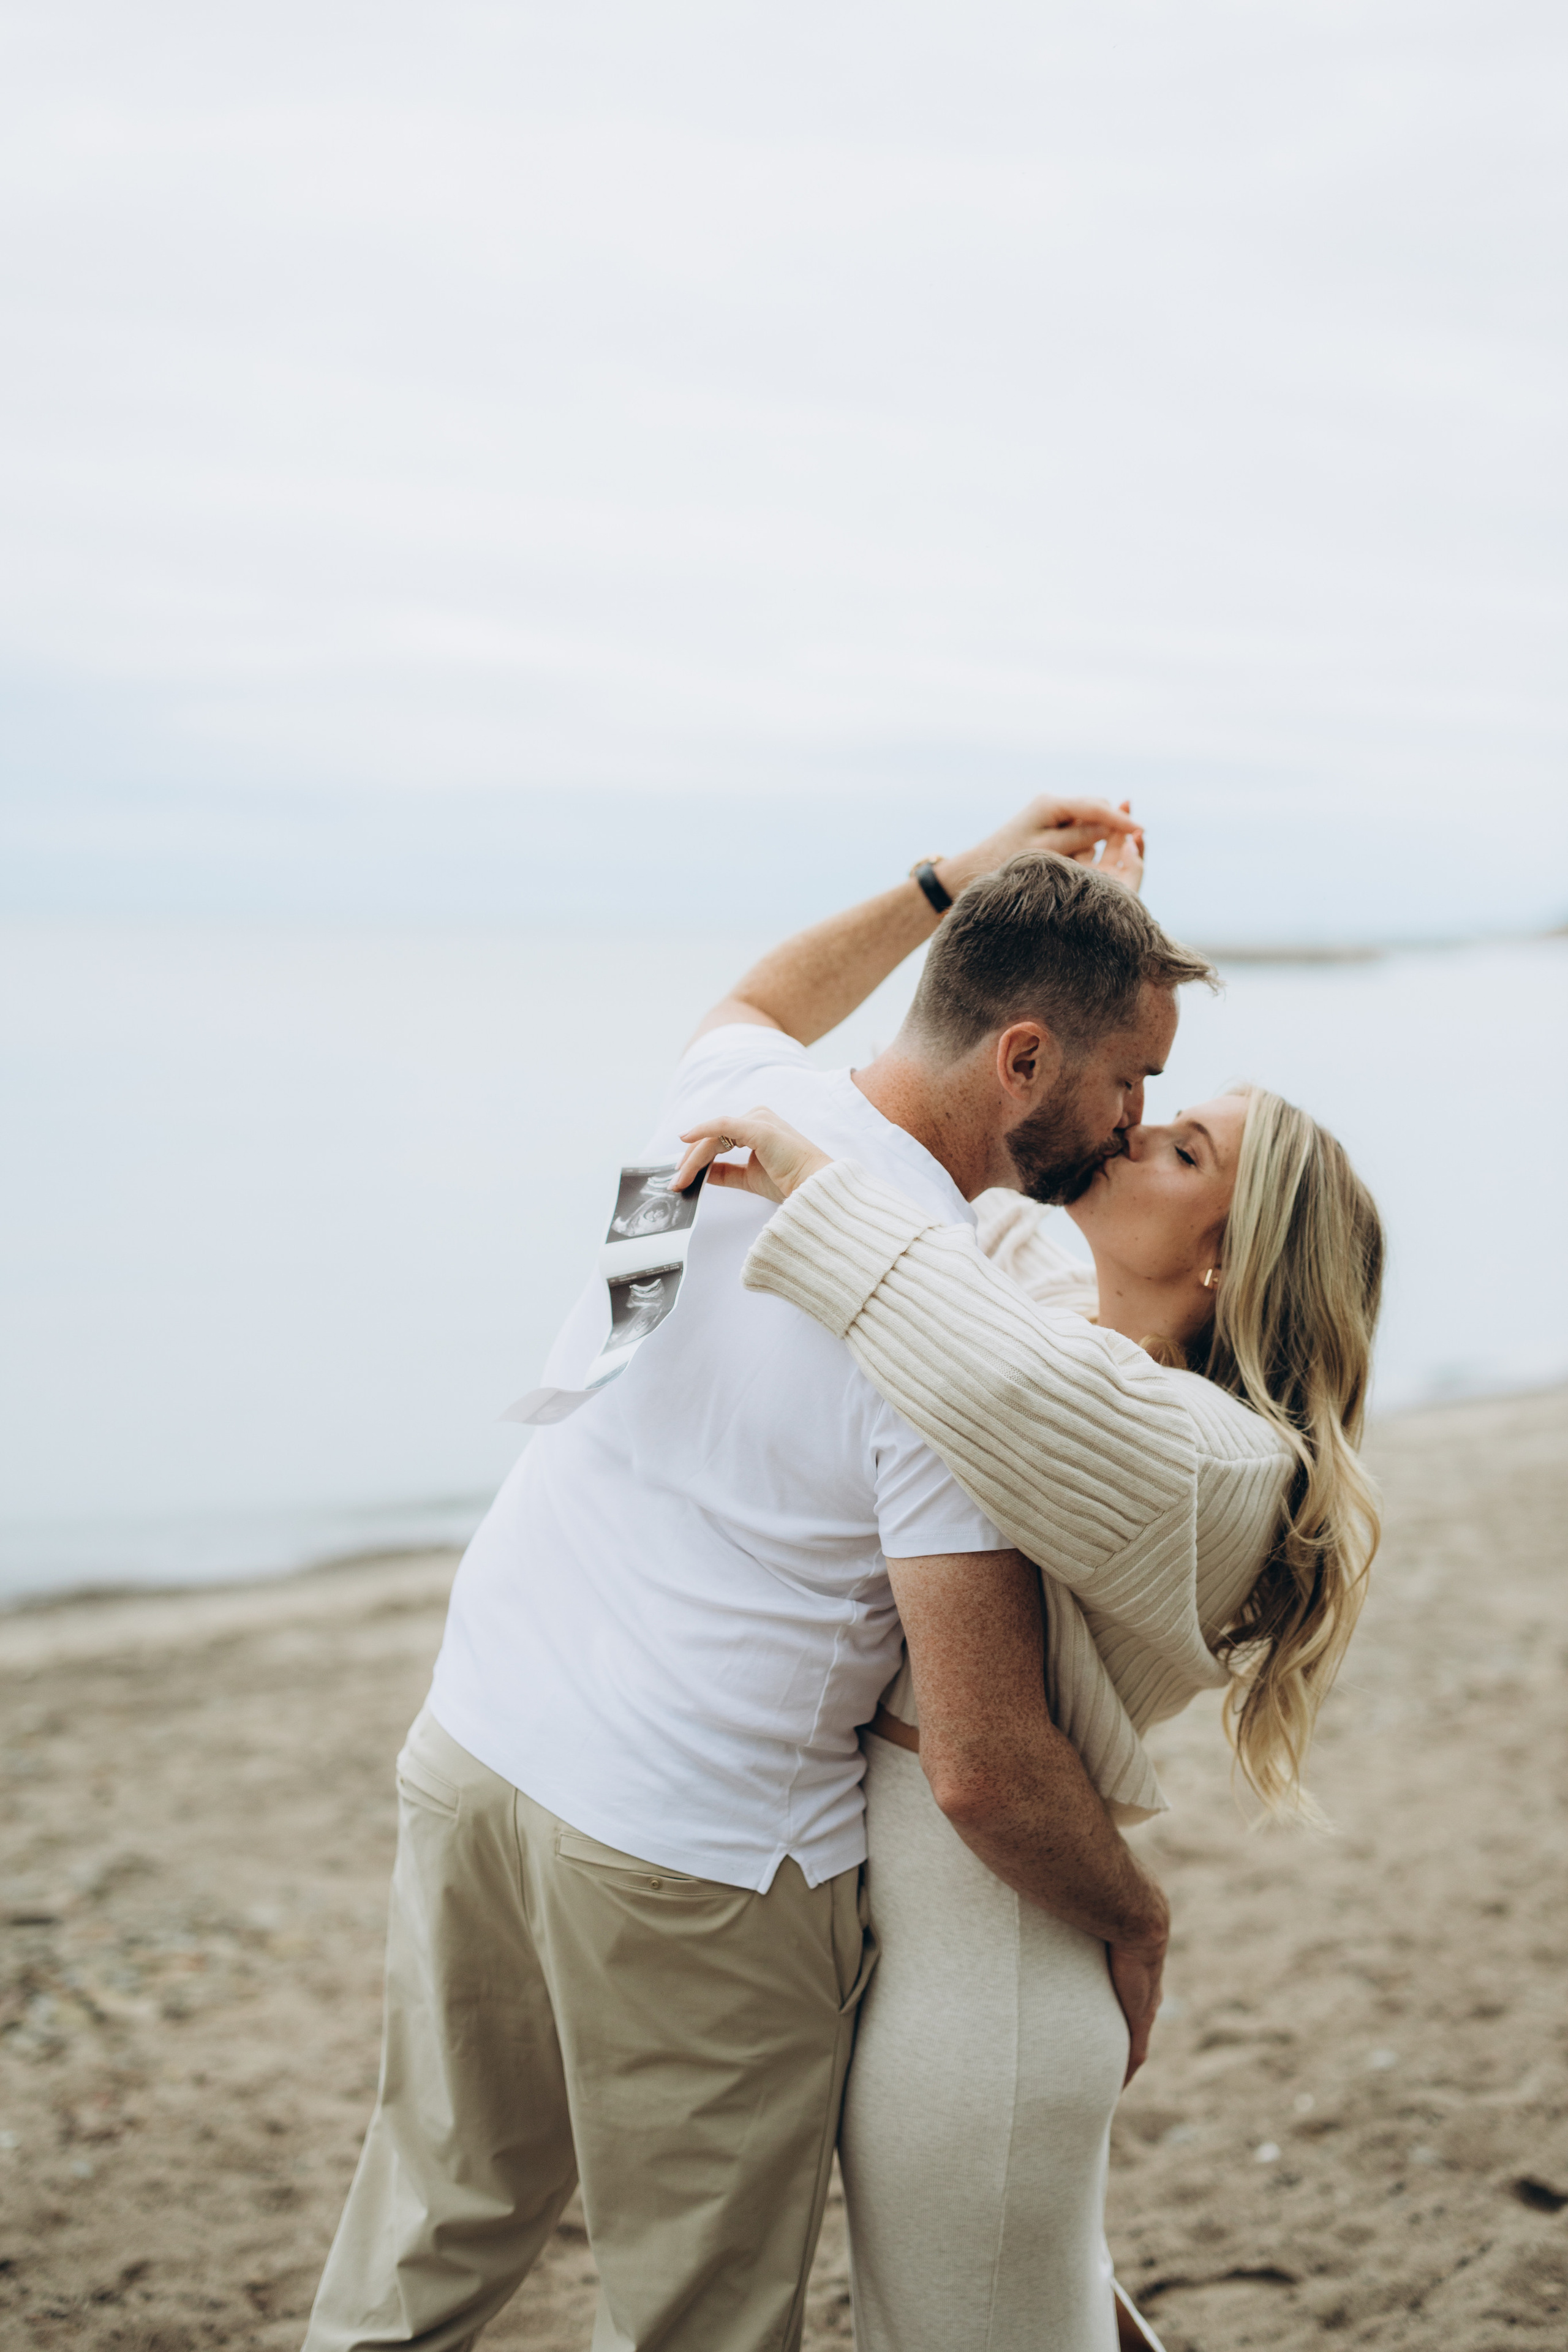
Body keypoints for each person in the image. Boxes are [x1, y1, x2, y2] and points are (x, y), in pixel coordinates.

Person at [301, 798, 1216, 2352]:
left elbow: (760, 999)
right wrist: (1134, 1919)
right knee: (694, 2318)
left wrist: (954, 881)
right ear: (1019, 1062)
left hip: (480, 1745)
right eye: (1129, 1079)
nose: (1131, 1120)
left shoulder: (734, 1096)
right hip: (691, 1857)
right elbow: (987, 1764)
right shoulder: (929, 1330)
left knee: (434, 2219)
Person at [671, 900, 1384, 2352]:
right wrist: (1012, 915)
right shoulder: (1068, 1305)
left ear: (1227, 1265)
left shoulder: (1208, 1461)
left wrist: (810, 1185)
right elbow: (983, 1208)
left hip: (984, 1964)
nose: (1130, 1134)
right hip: (951, 1938)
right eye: (1155, 1107)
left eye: (1183, 1152)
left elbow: (992, 1382)